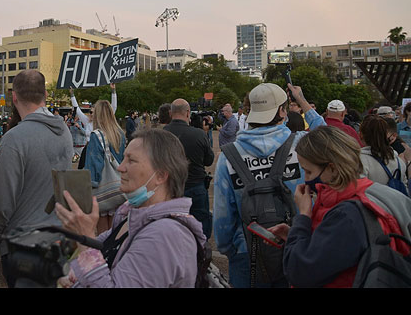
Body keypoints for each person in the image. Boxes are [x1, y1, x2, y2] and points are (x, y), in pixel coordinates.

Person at [54, 128, 207, 288]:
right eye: (124, 158)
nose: (120, 167)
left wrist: (85, 236)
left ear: (161, 176)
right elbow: (100, 256)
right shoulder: (132, 216)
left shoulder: (165, 235)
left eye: (131, 161)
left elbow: (92, 254)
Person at [267, 125, 411, 287]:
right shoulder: (364, 193)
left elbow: (299, 271)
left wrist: (303, 216)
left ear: (332, 168)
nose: (306, 180)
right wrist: (297, 235)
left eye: (308, 172)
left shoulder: (346, 215)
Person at [213, 82, 325, 288]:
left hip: (246, 251)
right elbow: (328, 135)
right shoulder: (301, 144)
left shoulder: (228, 156)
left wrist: (233, 250)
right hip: (296, 245)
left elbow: (223, 219)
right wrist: (301, 100)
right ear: (283, 111)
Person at [0, 70, 73, 288]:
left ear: (14, 97)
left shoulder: (14, 139)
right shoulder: (64, 132)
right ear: (44, 94)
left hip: (22, 245)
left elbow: (0, 203)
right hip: (57, 240)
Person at [163, 98, 215, 239]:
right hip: (196, 186)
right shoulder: (198, 134)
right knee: (201, 226)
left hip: (170, 188)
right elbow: (209, 160)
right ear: (188, 113)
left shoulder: (162, 135)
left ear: (171, 113)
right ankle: (201, 255)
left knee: (172, 227)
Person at [85, 99, 127, 234]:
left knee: (102, 232)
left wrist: (90, 184)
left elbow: (94, 164)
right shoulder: (120, 133)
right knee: (115, 231)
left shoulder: (96, 135)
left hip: (102, 189)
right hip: (118, 186)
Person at [358, 115, 409, 189]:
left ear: (361, 135)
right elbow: (405, 188)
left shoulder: (358, 161)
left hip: (370, 200)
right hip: (395, 200)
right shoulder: (398, 161)